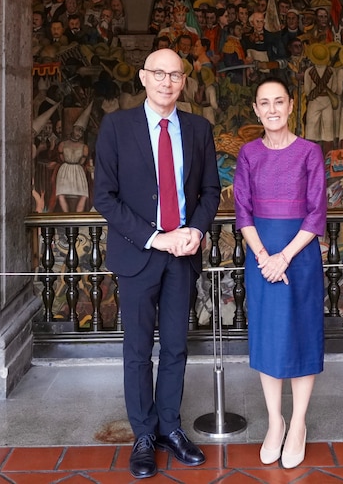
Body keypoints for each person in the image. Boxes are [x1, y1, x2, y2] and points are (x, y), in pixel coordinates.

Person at [93, 48, 220, 479]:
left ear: (184, 82)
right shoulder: (116, 127)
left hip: (182, 256)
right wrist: (155, 237)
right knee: (137, 350)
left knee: (177, 347)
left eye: (176, 75)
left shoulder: (199, 128)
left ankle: (171, 427)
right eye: (159, 74)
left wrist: (196, 232)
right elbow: (104, 197)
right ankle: (143, 435)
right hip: (139, 254)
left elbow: (210, 192)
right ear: (144, 78)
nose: (168, 82)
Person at [233, 76, 326, 470]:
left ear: (291, 106)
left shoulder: (310, 152)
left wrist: (283, 257)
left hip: (298, 255)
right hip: (260, 256)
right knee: (269, 339)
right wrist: (263, 257)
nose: (272, 109)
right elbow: (242, 212)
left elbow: (317, 211)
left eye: (279, 102)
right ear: (255, 109)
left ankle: (299, 423)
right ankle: (275, 422)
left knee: (302, 337)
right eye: (264, 103)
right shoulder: (248, 154)